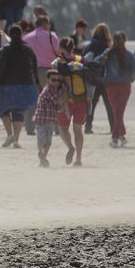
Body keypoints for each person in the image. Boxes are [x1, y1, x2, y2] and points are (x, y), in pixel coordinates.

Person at [0, 24, 38, 148]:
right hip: (26, 85)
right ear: (22, 34)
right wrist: (36, 83)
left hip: (7, 85)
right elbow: (34, 67)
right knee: (19, 111)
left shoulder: (6, 50)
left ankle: (9, 134)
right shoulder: (28, 49)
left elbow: (1, 68)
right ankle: (16, 140)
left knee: (3, 109)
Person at [51, 37, 92, 165]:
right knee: (78, 129)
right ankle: (79, 159)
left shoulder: (57, 62)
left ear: (61, 48)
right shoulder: (82, 60)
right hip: (82, 99)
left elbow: (52, 81)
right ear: (73, 47)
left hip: (66, 101)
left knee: (63, 127)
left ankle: (70, 147)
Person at [22, 14, 60, 135]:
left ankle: (29, 128)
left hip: (33, 71)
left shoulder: (27, 38)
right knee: (54, 98)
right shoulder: (52, 36)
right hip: (50, 71)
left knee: (33, 99)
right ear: (44, 24)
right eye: (48, 23)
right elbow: (58, 52)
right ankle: (58, 128)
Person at [101, 31, 135, 148]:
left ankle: (115, 138)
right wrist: (129, 80)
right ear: (125, 41)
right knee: (118, 112)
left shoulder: (108, 54)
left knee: (116, 112)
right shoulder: (130, 55)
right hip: (125, 86)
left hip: (111, 85)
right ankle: (121, 137)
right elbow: (134, 72)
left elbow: (97, 60)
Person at [31, 68, 67, 168]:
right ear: (47, 80)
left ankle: (42, 158)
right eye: (53, 80)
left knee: (46, 140)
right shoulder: (49, 90)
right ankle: (41, 154)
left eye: (58, 80)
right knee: (44, 139)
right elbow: (58, 102)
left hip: (48, 119)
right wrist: (65, 94)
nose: (56, 82)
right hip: (43, 118)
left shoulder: (52, 90)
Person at [82, 23, 113, 134]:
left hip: (93, 78)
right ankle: (113, 127)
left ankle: (88, 126)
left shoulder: (90, 45)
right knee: (109, 104)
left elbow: (83, 59)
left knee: (92, 104)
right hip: (105, 78)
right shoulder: (109, 47)